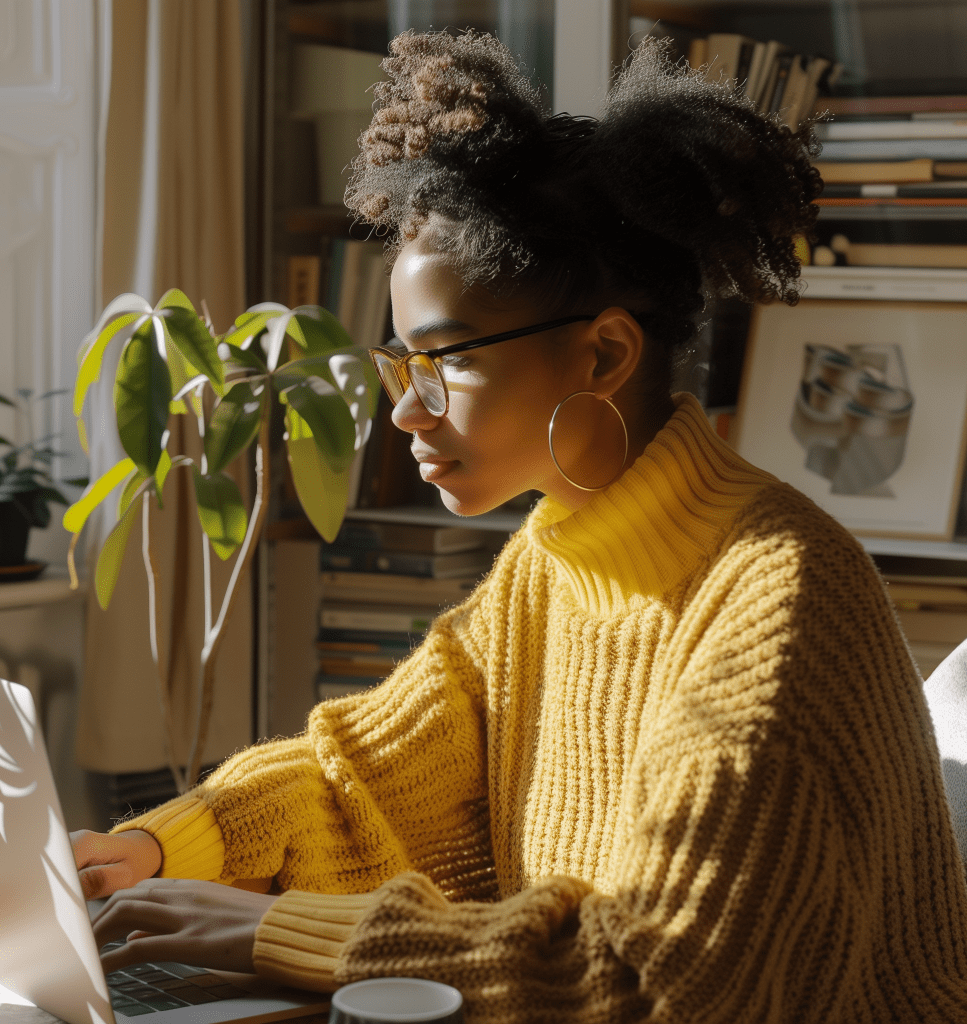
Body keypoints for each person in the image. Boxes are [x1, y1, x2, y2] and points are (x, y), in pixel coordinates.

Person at [73, 31, 967, 1022]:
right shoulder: (553, 564)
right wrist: (156, 847)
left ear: (603, 354)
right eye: (398, 362)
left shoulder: (779, 600)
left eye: (447, 359)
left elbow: (654, 977)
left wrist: (276, 935)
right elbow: (362, 777)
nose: (404, 409)